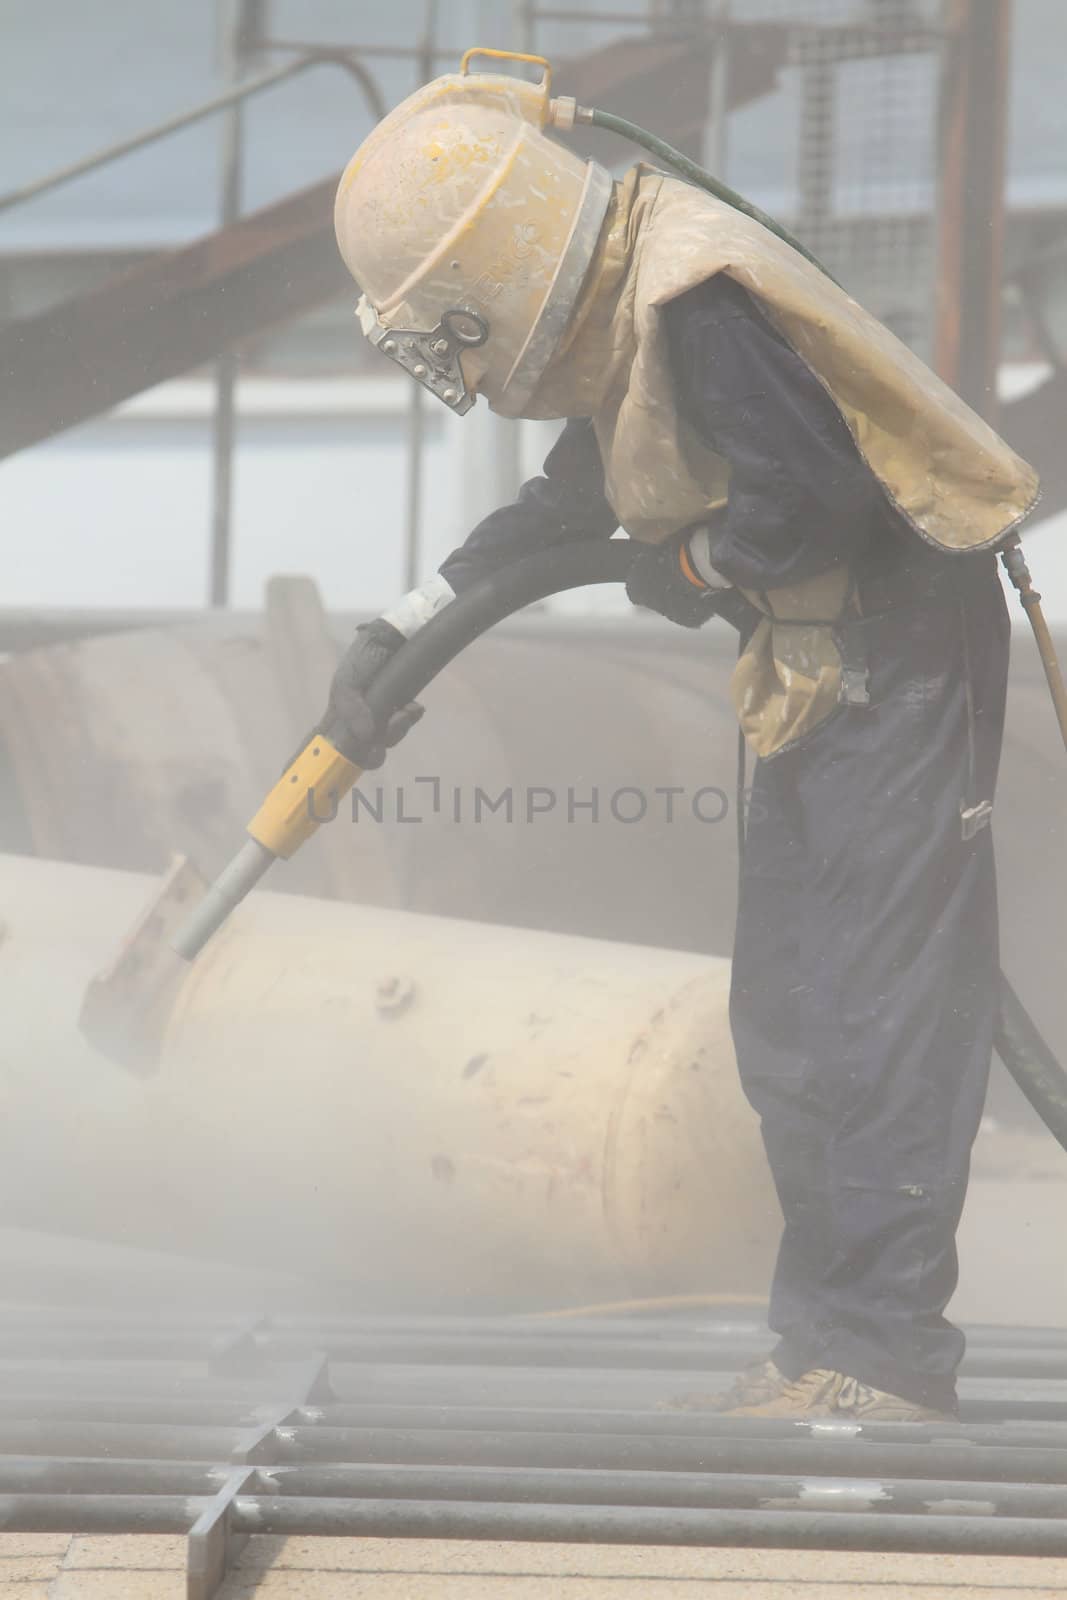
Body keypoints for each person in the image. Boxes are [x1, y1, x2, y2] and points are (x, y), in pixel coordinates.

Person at [321, 55, 1039, 1422]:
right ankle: (821, 1342)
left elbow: (814, 497)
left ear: (499, 267)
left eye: (451, 324)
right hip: (824, 653)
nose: (457, 356)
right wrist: (398, 629)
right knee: (791, 1013)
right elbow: (567, 505)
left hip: (901, 642)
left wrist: (701, 568)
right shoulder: (618, 310)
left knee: (884, 1013)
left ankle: (886, 1359)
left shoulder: (689, 295)